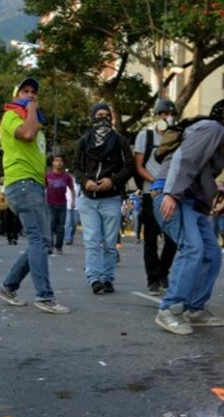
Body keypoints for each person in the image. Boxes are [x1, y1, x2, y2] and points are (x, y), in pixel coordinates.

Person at [154, 98, 224, 335]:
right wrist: (171, 193)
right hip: (172, 194)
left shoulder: (220, 139)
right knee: (193, 249)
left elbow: (201, 174)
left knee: (212, 253)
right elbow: (185, 158)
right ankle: (169, 309)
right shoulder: (213, 129)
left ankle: (195, 308)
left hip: (190, 200)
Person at [0, 76, 68, 314]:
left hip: (32, 185)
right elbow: (26, 134)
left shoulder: (34, 121)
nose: (31, 95)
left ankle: (8, 286)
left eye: (34, 92)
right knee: (39, 240)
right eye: (25, 91)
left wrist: (33, 111)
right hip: (23, 184)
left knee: (41, 241)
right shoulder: (11, 115)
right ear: (16, 96)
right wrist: (32, 108)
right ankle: (44, 296)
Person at [74, 102, 134, 295]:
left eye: (106, 115)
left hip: (111, 198)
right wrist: (85, 182)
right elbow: (76, 167)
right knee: (92, 240)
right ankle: (94, 279)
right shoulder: (84, 141)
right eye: (98, 115)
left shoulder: (120, 141)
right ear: (92, 117)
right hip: (89, 199)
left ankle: (107, 279)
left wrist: (113, 180)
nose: (103, 119)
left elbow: (129, 166)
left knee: (109, 243)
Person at [134, 98, 179, 295]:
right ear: (157, 116)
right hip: (150, 193)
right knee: (150, 239)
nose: (167, 118)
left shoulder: (177, 139)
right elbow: (139, 166)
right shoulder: (146, 136)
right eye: (163, 114)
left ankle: (163, 272)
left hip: (170, 194)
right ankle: (152, 279)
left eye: (170, 115)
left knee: (172, 239)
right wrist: (155, 181)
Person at [45, 154, 75, 255]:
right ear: (53, 163)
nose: (59, 163)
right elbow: (43, 188)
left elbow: (72, 189)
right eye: (56, 161)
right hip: (50, 204)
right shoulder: (47, 175)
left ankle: (59, 247)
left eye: (61, 161)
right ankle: (50, 246)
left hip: (62, 204)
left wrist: (73, 202)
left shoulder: (66, 177)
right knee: (51, 225)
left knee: (61, 227)